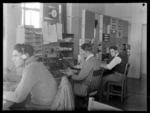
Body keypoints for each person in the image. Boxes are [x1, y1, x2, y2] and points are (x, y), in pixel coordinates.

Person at [3, 43, 57, 110]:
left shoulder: (30, 69)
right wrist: (11, 87)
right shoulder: (35, 65)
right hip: (48, 102)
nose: (12, 59)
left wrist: (4, 93)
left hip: (42, 107)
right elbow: (26, 82)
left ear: (25, 56)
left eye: (15, 56)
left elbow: (18, 97)